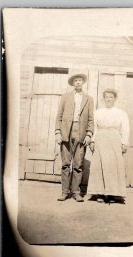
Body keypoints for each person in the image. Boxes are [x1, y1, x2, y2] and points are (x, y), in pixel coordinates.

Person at [55, 74, 94, 202]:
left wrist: (88, 134)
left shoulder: (89, 99)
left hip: (80, 133)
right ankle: (64, 192)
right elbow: (59, 116)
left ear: (83, 82)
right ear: (72, 83)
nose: (78, 82)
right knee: (66, 164)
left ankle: (76, 192)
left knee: (78, 164)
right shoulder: (65, 97)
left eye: (80, 80)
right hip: (66, 132)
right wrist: (58, 132)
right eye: (75, 80)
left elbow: (91, 119)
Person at [87, 88, 130, 204]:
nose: (109, 99)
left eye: (111, 97)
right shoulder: (97, 112)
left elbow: (125, 129)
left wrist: (124, 142)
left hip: (114, 140)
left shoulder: (121, 113)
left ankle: (112, 194)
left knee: (112, 166)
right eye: (107, 97)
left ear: (115, 99)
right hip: (100, 140)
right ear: (104, 99)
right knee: (99, 165)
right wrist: (92, 141)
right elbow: (94, 128)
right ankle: (99, 193)